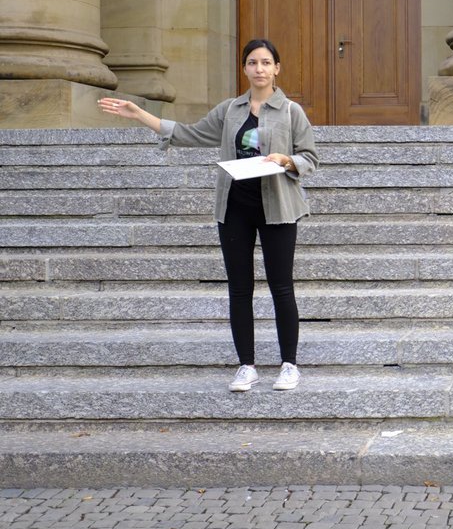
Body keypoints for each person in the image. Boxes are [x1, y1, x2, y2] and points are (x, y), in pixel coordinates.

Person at [98, 38, 318, 392]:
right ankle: (246, 366)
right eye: (252, 63)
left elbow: (310, 157)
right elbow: (189, 134)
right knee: (239, 289)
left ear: (277, 68)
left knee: (281, 287)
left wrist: (287, 160)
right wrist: (140, 115)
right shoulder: (231, 110)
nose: (259, 69)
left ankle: (289, 365)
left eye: (265, 62)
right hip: (235, 209)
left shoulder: (291, 111)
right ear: (244, 68)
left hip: (279, 208)